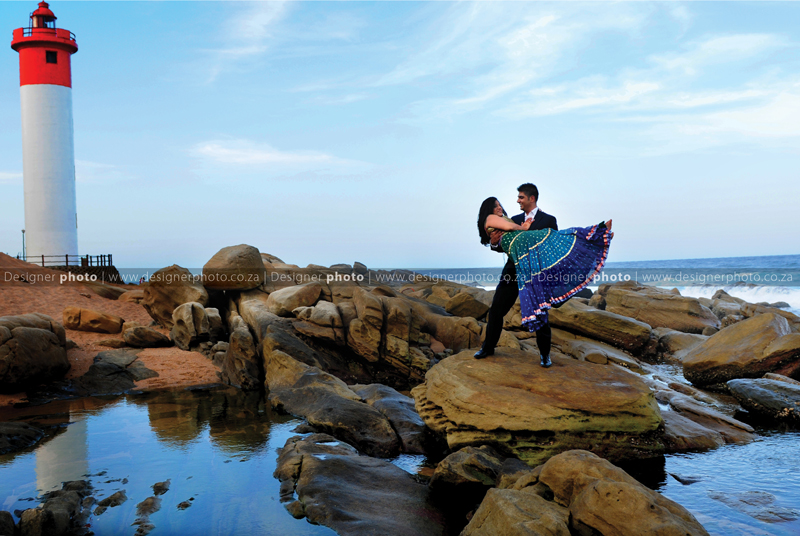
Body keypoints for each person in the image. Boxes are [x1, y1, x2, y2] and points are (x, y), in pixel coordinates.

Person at [475, 184, 612, 367]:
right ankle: (488, 348)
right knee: (497, 310)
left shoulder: (548, 220)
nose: (518, 201)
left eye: (521, 197)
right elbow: (503, 243)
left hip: (537, 274)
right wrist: (493, 244)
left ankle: (545, 355)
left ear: (532, 198)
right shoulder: (513, 219)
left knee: (540, 313)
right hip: (513, 272)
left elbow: (553, 246)